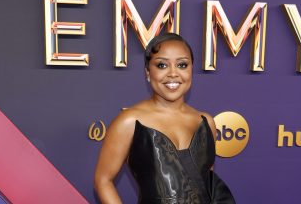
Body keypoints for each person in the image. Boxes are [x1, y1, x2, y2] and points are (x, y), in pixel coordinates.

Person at [94, 33, 235, 204]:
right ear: (148, 72)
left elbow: (207, 184)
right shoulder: (130, 121)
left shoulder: (206, 122)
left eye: (182, 65)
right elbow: (103, 180)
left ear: (191, 70)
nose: (173, 74)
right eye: (162, 65)